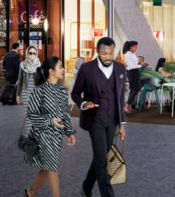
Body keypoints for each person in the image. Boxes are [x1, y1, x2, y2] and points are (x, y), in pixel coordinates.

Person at [70, 36, 126, 197]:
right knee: (102, 160)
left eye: (111, 53)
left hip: (113, 119)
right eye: (104, 53)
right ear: (97, 52)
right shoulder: (87, 69)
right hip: (95, 118)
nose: (108, 57)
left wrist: (122, 124)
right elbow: (75, 93)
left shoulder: (121, 69)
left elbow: (121, 98)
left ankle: (86, 187)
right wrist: (84, 103)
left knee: (101, 155)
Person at [23, 56, 76, 197]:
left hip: (56, 136)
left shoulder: (62, 91)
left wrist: (69, 132)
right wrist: (50, 120)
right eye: (60, 67)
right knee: (52, 169)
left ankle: (31, 192)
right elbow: (31, 114)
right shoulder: (38, 91)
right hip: (42, 135)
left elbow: (65, 114)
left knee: (47, 167)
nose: (63, 70)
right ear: (51, 71)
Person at [17, 45, 41, 110]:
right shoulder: (22, 65)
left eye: (34, 53)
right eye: (30, 53)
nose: (32, 55)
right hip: (26, 93)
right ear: (27, 53)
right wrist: (18, 95)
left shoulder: (40, 65)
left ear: (36, 54)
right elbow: (20, 80)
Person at [122, 41, 141, 112]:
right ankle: (126, 106)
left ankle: (128, 106)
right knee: (135, 89)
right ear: (131, 47)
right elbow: (131, 66)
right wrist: (141, 65)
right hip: (132, 72)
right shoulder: (127, 55)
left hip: (136, 72)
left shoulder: (133, 54)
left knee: (134, 89)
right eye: (135, 47)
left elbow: (134, 64)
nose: (136, 48)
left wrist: (139, 64)